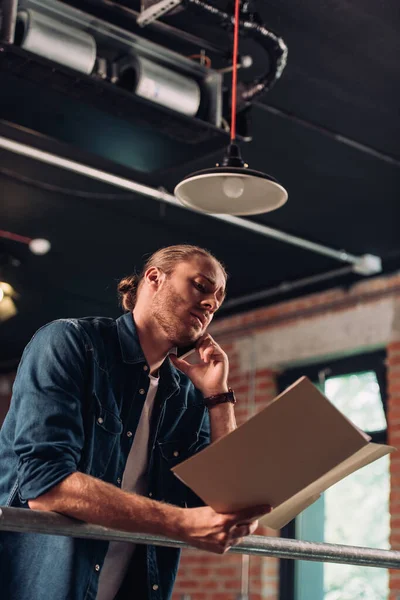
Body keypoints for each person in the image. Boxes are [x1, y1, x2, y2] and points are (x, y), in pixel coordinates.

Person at [0, 244, 268, 600]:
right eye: (201, 286)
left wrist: (218, 398)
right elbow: (45, 484)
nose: (210, 304)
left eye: (217, 301)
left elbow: (223, 500)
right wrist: (183, 523)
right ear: (154, 278)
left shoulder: (187, 395)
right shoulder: (71, 343)